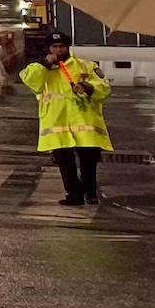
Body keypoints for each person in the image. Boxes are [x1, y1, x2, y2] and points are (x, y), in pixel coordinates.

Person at [23, 30, 112, 207]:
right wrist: (44, 64)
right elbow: (31, 81)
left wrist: (87, 88)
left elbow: (104, 86)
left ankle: (90, 192)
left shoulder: (85, 66)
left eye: (62, 46)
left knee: (88, 162)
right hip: (57, 124)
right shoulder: (39, 69)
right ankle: (74, 194)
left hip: (84, 123)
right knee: (65, 164)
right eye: (54, 47)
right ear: (48, 49)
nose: (58, 50)